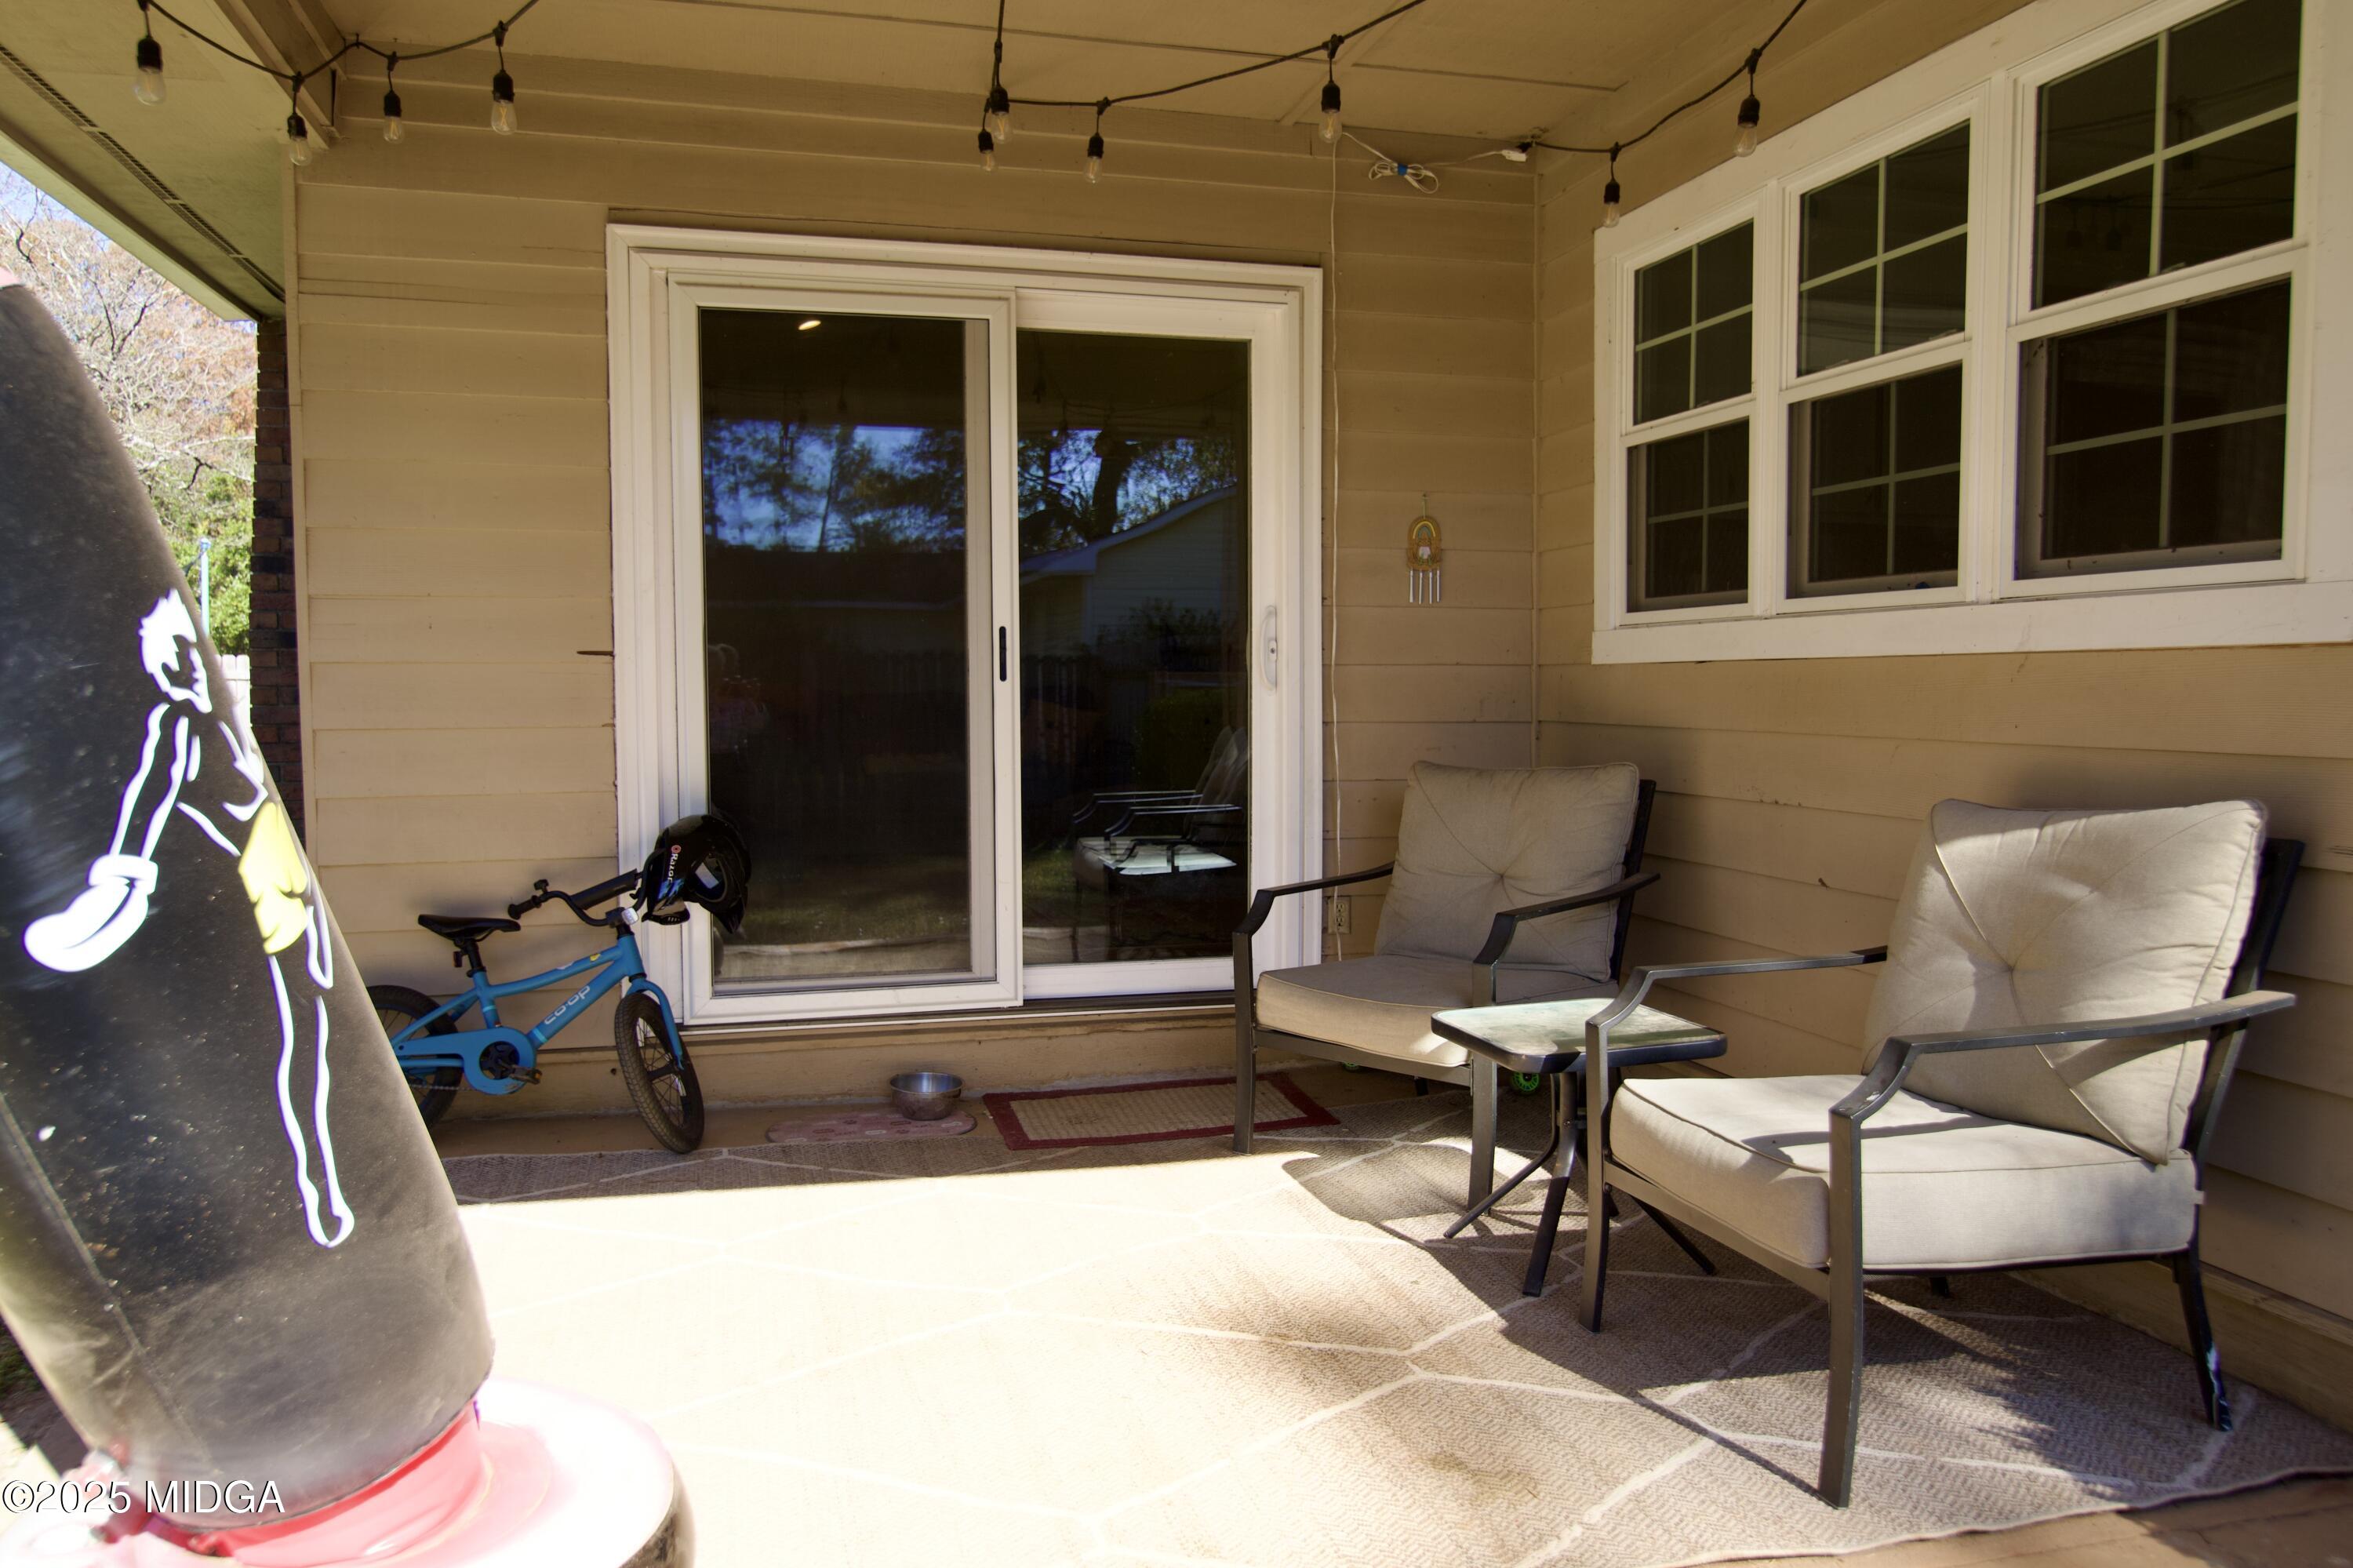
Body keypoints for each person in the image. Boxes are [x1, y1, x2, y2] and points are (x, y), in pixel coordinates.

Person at [23, 592, 353, 1249]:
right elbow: (149, 795)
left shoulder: (225, 727)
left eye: (190, 648)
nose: (190, 665)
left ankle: (321, 1186)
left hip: (284, 893)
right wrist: (124, 876)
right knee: (292, 1046)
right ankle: (314, 1188)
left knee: (307, 1045)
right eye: (175, 654)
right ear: (164, 667)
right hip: (265, 899)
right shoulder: (183, 724)